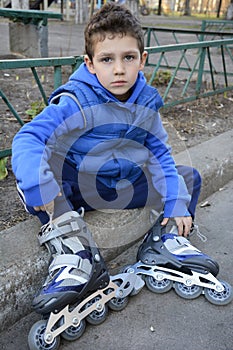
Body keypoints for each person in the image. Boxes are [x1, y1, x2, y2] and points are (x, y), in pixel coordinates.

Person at [11, 3, 201, 313]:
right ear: (89, 64)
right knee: (36, 179)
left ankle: (164, 242)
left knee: (188, 178)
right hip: (78, 186)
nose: (118, 69)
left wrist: (176, 202)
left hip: (120, 186)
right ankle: (74, 257)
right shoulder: (76, 100)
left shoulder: (147, 101)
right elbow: (29, 138)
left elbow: (160, 154)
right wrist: (37, 184)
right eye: (106, 59)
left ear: (142, 60)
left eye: (128, 57)